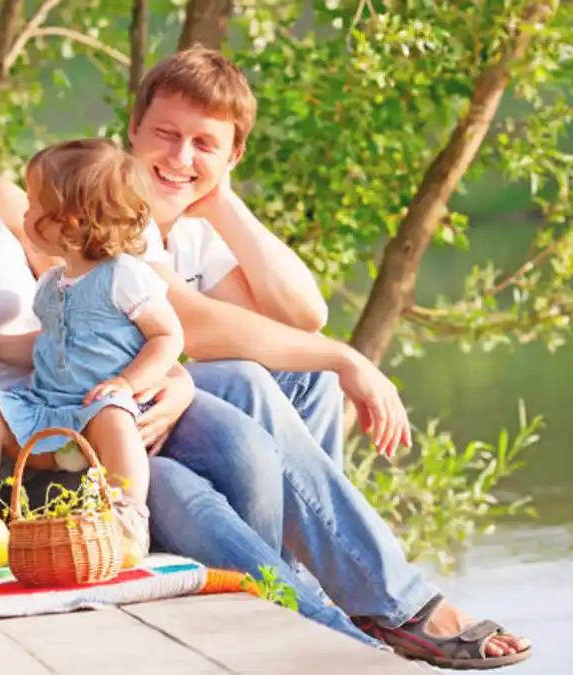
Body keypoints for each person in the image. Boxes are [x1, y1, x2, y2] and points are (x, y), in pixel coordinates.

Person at [0, 58, 527, 667]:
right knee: (175, 489)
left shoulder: (3, 202)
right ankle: (338, 632)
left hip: (79, 400)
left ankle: (401, 605)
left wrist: (336, 359)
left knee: (244, 404)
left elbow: (175, 315)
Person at [121, 47, 530, 669]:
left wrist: (224, 201)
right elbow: (193, 326)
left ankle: (335, 582)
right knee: (243, 377)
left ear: (234, 156)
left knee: (301, 373)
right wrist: (345, 356)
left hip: (188, 426)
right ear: (134, 130)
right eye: (165, 135)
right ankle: (396, 601)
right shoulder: (110, 205)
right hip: (122, 421)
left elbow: (299, 314)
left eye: (205, 144)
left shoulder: (193, 226)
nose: (180, 159)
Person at [0, 138, 190, 561]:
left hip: (95, 409)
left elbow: (168, 337)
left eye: (32, 206)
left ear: (69, 221)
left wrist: (125, 383)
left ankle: (127, 519)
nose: (23, 213)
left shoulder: (124, 277)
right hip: (48, 406)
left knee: (115, 417)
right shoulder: (51, 285)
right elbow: (48, 345)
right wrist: (0, 349)